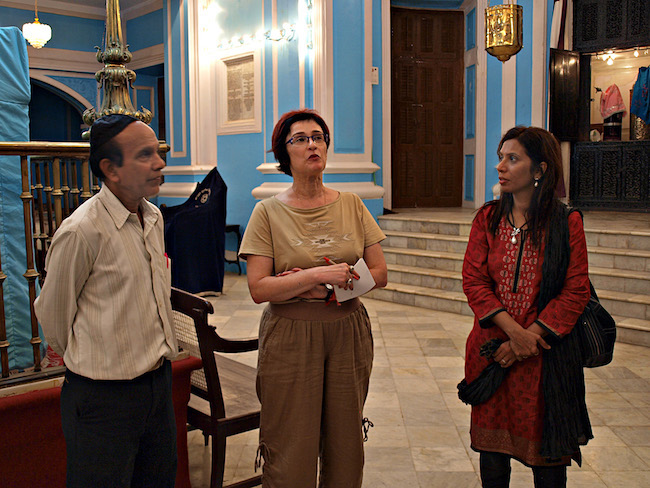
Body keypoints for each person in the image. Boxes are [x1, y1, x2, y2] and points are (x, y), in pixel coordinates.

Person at [239, 108, 388, 487]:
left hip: (347, 332)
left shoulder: (352, 205)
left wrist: (317, 286)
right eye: (300, 139)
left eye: (318, 137)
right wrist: (318, 274)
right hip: (291, 335)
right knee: (291, 443)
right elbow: (259, 288)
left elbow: (380, 274)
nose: (312, 144)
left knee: (345, 442)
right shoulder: (267, 212)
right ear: (284, 153)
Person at [34, 114, 179, 488]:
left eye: (158, 151)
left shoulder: (153, 218)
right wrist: (95, 358)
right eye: (146, 155)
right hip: (103, 399)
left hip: (157, 387)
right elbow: (53, 316)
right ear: (110, 169)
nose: (160, 163)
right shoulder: (82, 231)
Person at [461, 126, 592, 488]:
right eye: (501, 157)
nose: (500, 166)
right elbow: (474, 281)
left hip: (544, 360)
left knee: (547, 464)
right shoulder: (487, 219)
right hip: (492, 353)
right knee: (493, 461)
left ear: (540, 170)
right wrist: (513, 333)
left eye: (512, 158)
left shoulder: (567, 223)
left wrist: (526, 341)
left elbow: (576, 289)